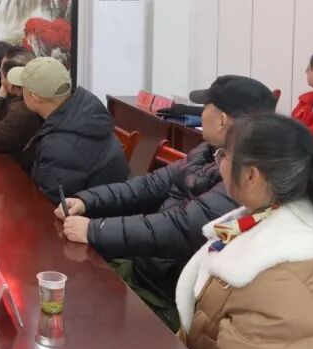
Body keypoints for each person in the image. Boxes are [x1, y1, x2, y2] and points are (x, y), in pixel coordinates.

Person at [55, 75, 278, 331]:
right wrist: (87, 200)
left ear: (222, 120)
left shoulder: (246, 177)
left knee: (78, 318)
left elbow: (182, 227)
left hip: (168, 298)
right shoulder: (207, 152)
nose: (201, 113)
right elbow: (150, 185)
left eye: (206, 107)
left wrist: (95, 230)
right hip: (145, 269)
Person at [176, 114, 313, 349]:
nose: (219, 163)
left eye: (224, 155)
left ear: (250, 176)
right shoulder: (260, 224)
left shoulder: (280, 284)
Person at [14, 57, 128, 201]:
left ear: (34, 97)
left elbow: (50, 206)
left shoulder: (60, 148)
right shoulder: (85, 112)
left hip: (88, 213)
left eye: (23, 87)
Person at [0, 48, 41, 161]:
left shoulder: (22, 112)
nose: (1, 80)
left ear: (11, 81)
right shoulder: (27, 99)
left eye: (1, 74)